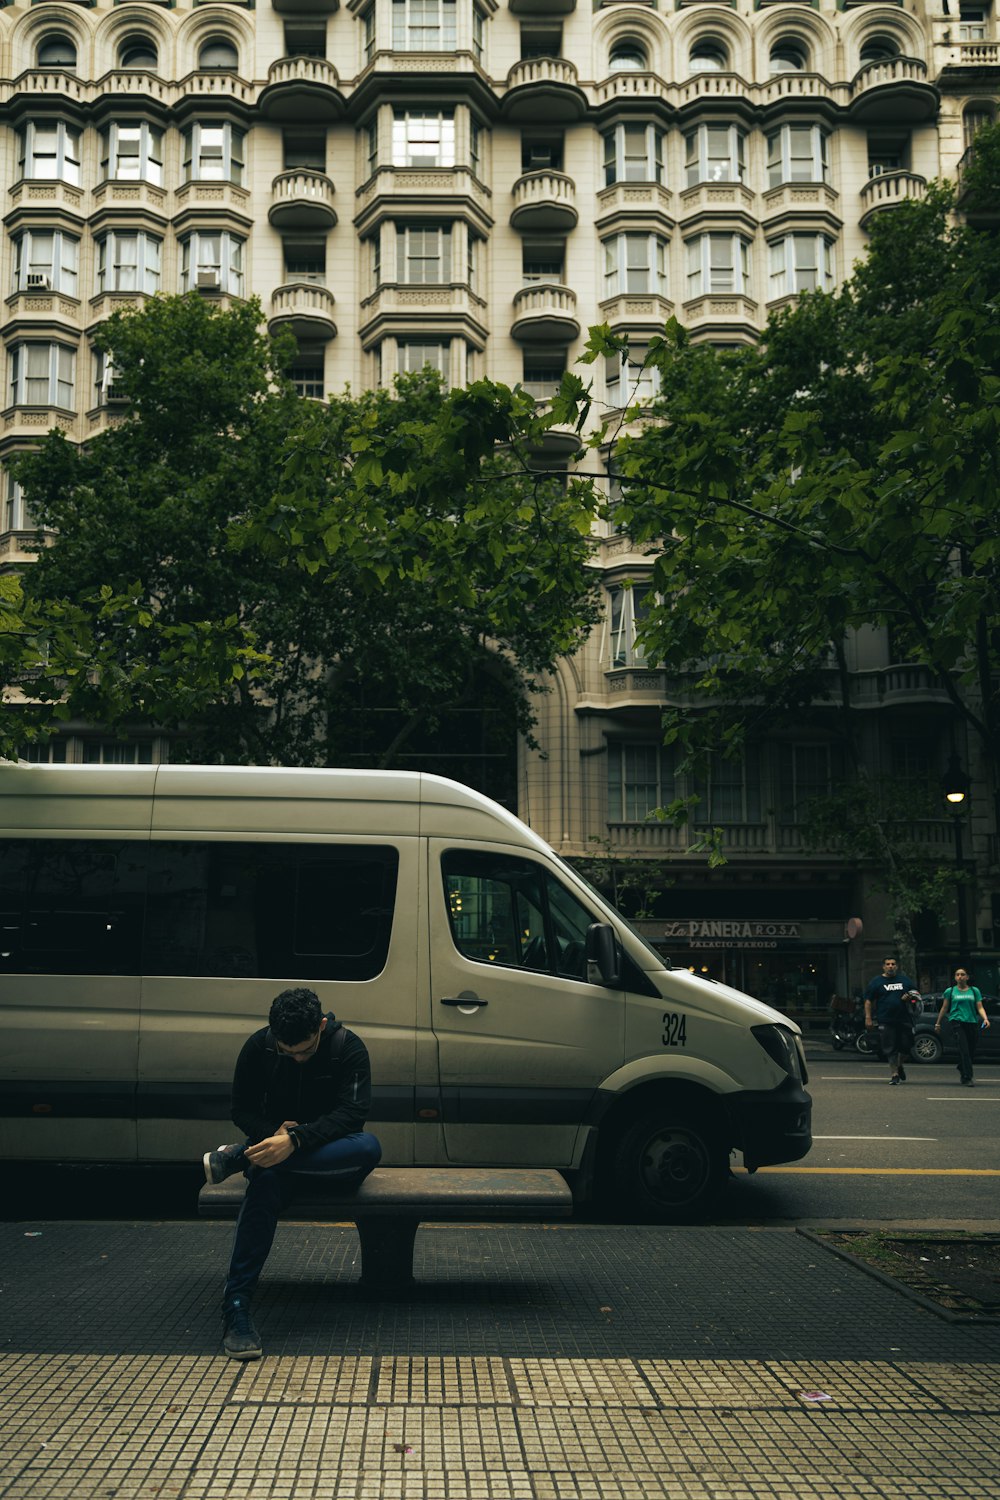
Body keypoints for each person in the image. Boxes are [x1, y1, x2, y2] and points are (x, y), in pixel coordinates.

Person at [203, 987, 382, 1360]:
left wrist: (295, 1140)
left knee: (368, 1147)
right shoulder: (258, 1048)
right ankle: (236, 1306)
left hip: (328, 1161)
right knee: (265, 1183)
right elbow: (242, 1110)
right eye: (289, 1053)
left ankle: (241, 1158)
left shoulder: (348, 1047)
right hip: (275, 1163)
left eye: (306, 1050)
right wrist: (273, 1136)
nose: (298, 1059)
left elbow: (352, 1115)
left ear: (320, 1025)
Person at [864, 956, 919, 1086]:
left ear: (896, 966)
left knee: (907, 1046)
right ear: (883, 967)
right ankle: (894, 1074)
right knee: (890, 1048)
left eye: (893, 964)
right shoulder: (876, 982)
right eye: (887, 964)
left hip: (904, 1019)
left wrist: (910, 997)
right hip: (886, 1020)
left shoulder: (904, 980)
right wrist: (868, 1017)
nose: (890, 966)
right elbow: (868, 1001)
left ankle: (900, 1065)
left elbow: (916, 996)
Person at [935, 967, 990, 1087]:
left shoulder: (974, 991)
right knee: (964, 1050)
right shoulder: (950, 991)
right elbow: (944, 1008)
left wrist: (985, 1018)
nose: (960, 977)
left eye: (962, 974)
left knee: (970, 1051)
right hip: (957, 1021)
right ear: (955, 978)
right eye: (957, 975)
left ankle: (961, 1066)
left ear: (967, 977)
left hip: (971, 1022)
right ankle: (967, 1077)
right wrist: (938, 1023)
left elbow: (979, 1007)